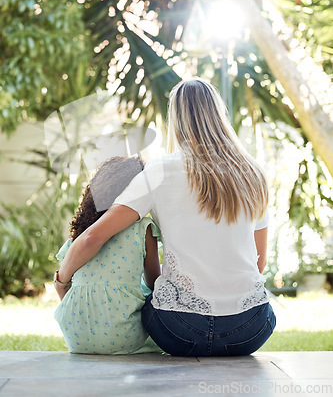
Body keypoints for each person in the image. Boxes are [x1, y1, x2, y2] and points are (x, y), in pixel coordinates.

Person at [55, 77, 276, 357]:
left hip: (179, 332)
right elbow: (260, 262)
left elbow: (92, 237)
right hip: (250, 329)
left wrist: (61, 280)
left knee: (150, 299)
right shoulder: (253, 172)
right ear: (219, 115)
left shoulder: (160, 171)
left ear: (177, 120)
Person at [53, 156, 161, 355]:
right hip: (123, 337)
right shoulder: (142, 229)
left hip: (76, 336)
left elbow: (64, 289)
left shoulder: (79, 237)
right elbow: (155, 283)